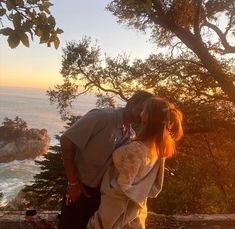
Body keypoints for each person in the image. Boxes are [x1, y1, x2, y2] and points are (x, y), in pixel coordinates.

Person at [58, 91, 153, 229]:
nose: (144, 115)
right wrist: (73, 183)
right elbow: (66, 139)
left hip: (103, 195)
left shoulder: (130, 135)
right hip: (79, 188)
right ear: (132, 103)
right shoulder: (102, 117)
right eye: (143, 109)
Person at [87, 96, 183, 229]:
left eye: (144, 111)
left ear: (150, 117)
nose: (141, 113)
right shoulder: (159, 148)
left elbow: (122, 187)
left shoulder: (137, 149)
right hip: (136, 211)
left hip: (118, 214)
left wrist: (100, 220)